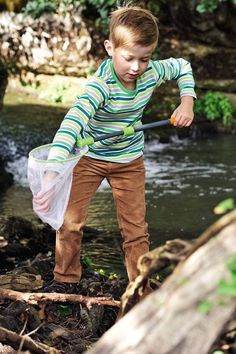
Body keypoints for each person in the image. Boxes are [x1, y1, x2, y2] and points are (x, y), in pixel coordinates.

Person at [33, 4, 196, 293]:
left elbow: (182, 66)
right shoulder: (100, 87)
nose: (136, 67)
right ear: (110, 48)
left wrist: (186, 101)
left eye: (144, 59)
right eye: (129, 58)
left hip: (130, 161)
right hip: (89, 158)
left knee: (135, 230)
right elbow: (70, 127)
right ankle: (65, 281)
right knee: (70, 223)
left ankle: (139, 287)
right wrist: (50, 176)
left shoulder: (152, 72)